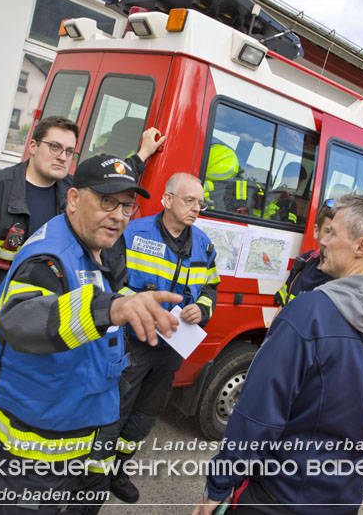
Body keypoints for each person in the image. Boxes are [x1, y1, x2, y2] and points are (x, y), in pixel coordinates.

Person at [0, 119, 165, 504]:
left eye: (128, 206)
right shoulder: (49, 258)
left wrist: (140, 156)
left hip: (77, 406)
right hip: (36, 419)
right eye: (109, 203)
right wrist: (109, 309)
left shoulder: (94, 235)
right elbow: (20, 319)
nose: (119, 215)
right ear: (73, 200)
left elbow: (105, 183)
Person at [195, 195, 363, 515]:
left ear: (361, 247)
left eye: (333, 233)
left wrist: (218, 485)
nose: (322, 240)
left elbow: (258, 414)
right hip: (340, 503)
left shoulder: (308, 313)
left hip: (275, 498)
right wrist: (354, 489)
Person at [67, 173, 219, 514]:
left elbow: (211, 287)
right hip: (131, 342)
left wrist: (202, 309)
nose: (197, 208)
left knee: (144, 417)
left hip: (170, 350)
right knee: (112, 412)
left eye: (201, 203)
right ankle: (89, 481)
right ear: (167, 200)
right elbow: (108, 282)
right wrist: (137, 307)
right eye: (190, 201)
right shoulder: (133, 233)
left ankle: (117, 472)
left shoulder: (205, 244)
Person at [274, 203, 335, 308]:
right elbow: (283, 307)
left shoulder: (343, 278)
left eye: (336, 234)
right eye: (328, 231)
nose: (330, 240)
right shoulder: (305, 260)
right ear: (316, 231)